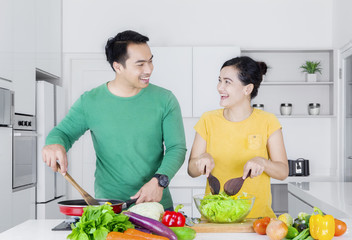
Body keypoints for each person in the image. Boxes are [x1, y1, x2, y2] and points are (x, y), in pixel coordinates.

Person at [42, 30, 187, 210]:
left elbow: (176, 148)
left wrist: (160, 181)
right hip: (109, 208)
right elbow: (62, 133)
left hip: (156, 206)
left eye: (150, 60)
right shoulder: (90, 101)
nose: (149, 69)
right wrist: (54, 143)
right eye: (140, 64)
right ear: (118, 67)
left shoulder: (165, 100)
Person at [187, 56, 288, 218]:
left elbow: (283, 172)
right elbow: (191, 170)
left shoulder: (268, 121)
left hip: (258, 221)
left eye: (227, 82)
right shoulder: (208, 120)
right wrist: (201, 160)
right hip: (215, 218)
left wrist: (263, 162)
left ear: (247, 89)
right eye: (219, 80)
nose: (220, 87)